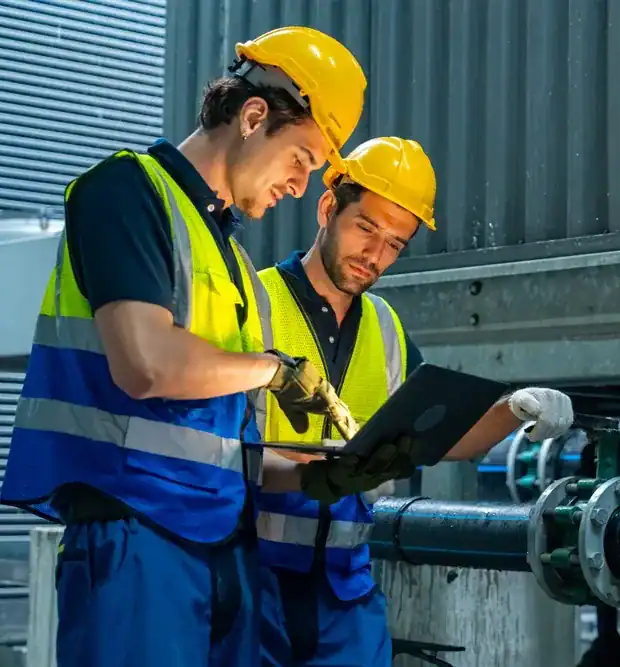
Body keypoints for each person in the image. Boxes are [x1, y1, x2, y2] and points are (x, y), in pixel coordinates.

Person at [0, 27, 369, 667]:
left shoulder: (235, 264)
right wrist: (276, 372)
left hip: (224, 549)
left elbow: (217, 447)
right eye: (302, 161)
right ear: (254, 117)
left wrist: (322, 474)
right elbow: (145, 365)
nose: (301, 186)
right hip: (136, 539)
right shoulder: (125, 193)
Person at [252, 135, 576, 667]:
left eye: (395, 244)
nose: (375, 256)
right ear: (328, 207)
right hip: (253, 578)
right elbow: (214, 448)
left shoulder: (384, 326)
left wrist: (514, 410)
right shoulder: (256, 302)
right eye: (366, 228)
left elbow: (443, 437)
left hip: (345, 590)